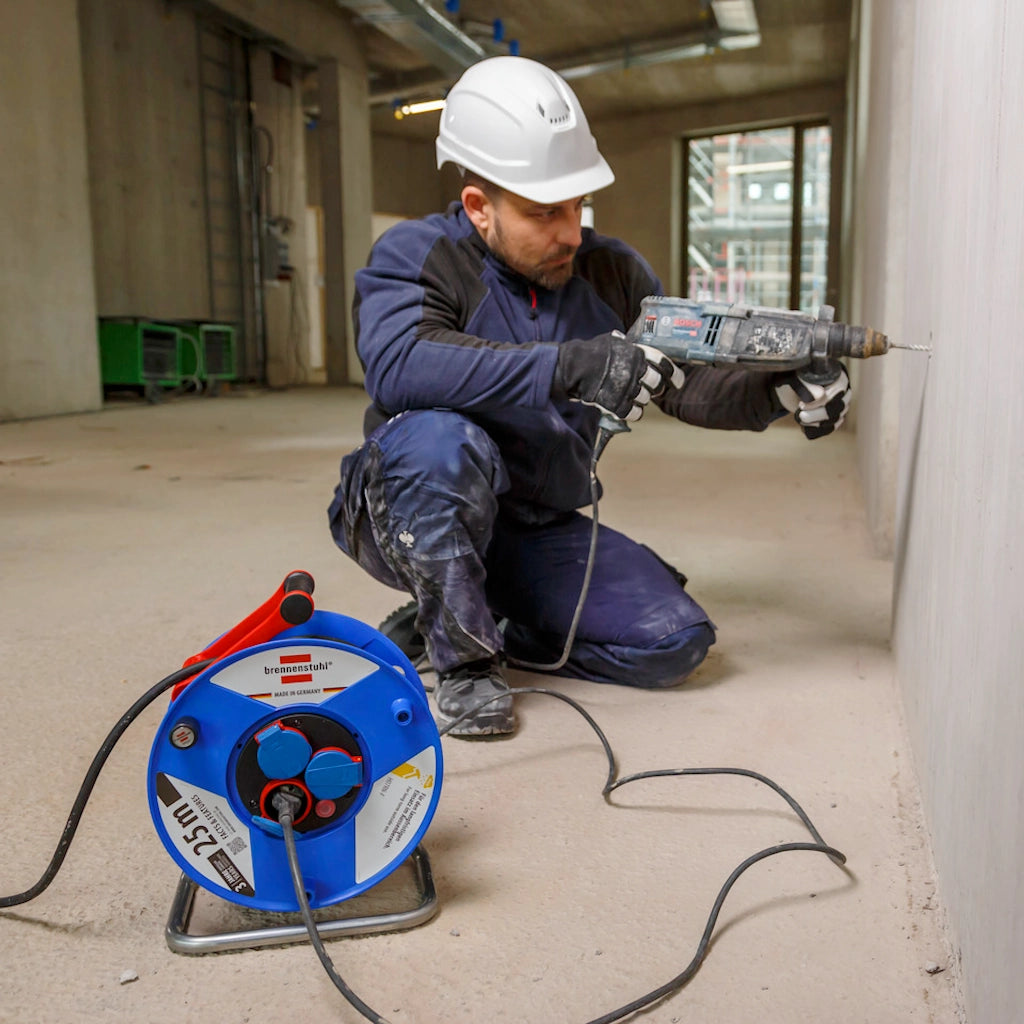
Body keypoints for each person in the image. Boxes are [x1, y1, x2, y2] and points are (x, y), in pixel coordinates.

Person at [327, 56, 851, 739]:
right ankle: (466, 662)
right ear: (479, 207)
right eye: (545, 212)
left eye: (577, 205)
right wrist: (570, 366)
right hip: (407, 507)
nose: (570, 232)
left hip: (537, 525)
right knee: (440, 442)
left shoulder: (612, 271)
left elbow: (685, 386)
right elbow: (400, 364)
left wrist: (776, 391)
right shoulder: (414, 255)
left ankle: (480, 611)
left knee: (674, 642)